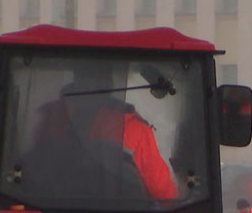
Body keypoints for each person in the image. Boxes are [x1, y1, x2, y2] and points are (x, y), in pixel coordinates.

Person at [23, 63, 178, 200]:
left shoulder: (52, 116)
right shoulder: (133, 127)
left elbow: (32, 173)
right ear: (109, 84)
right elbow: (162, 192)